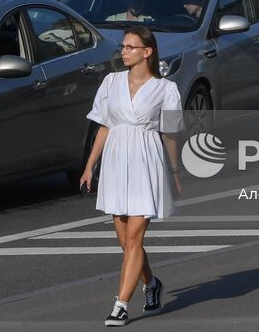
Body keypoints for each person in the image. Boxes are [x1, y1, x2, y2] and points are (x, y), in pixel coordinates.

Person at [79, 27, 183, 326]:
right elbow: (103, 126)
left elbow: (171, 134)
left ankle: (121, 304)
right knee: (126, 242)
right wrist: (89, 166)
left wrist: (175, 172)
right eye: (123, 46)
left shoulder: (167, 90)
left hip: (147, 161)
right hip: (115, 160)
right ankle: (151, 283)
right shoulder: (110, 82)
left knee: (135, 237)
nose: (123, 51)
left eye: (130, 47)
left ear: (147, 52)